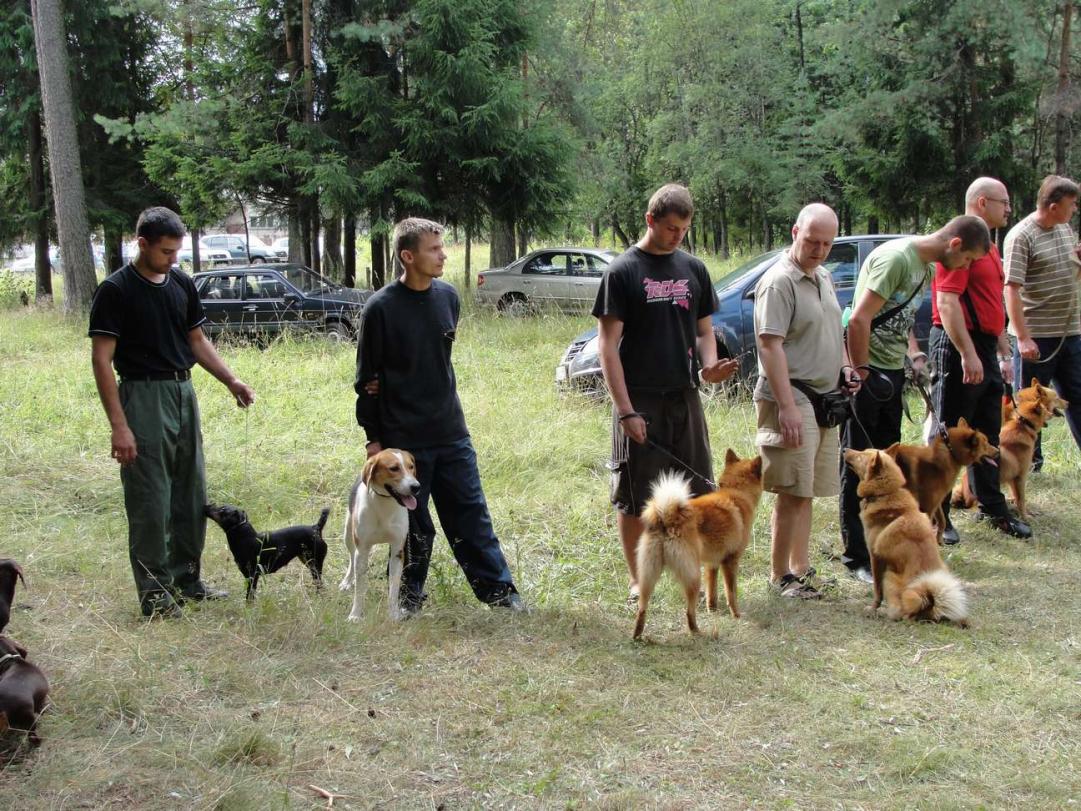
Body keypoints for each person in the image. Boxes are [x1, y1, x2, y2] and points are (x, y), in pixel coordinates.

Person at [89, 207, 255, 618]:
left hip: (184, 392)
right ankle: (156, 595)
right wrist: (119, 426)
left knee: (190, 492)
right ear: (142, 243)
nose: (173, 259)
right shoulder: (116, 290)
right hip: (143, 395)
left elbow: (196, 340)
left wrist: (231, 380)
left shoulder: (181, 283)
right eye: (165, 251)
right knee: (151, 500)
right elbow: (101, 360)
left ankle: (188, 580)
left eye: (176, 251)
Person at [354, 217, 524, 615]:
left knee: (471, 515)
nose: (443, 255)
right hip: (403, 438)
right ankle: (407, 599)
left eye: (442, 247)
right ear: (408, 256)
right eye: (434, 249)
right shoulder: (380, 308)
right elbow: (365, 380)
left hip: (450, 431)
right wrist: (373, 438)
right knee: (414, 526)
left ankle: (501, 594)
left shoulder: (448, 297)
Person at [593, 183, 739, 601]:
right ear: (650, 220)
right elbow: (607, 346)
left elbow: (705, 331)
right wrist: (626, 410)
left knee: (698, 489)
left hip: (685, 396)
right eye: (671, 228)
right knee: (635, 495)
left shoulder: (693, 269)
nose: (678, 236)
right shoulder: (623, 271)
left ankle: (696, 574)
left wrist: (709, 366)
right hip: (640, 399)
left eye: (684, 229)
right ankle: (638, 580)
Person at [840, 216, 991, 582]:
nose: (966, 267)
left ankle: (884, 547)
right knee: (861, 464)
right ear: (955, 244)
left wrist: (913, 354)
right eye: (968, 259)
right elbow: (859, 319)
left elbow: (901, 315)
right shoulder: (896, 259)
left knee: (889, 467)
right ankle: (856, 556)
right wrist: (860, 373)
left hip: (892, 373)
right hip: (868, 375)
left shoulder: (925, 267)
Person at [754, 203, 860, 599]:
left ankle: (801, 567)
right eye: (812, 241)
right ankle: (780, 575)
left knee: (808, 488)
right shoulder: (778, 282)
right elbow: (769, 346)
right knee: (791, 488)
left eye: (827, 244)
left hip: (825, 397)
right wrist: (785, 407)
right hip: (792, 394)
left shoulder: (823, 275)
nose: (819, 250)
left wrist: (845, 367)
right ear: (795, 232)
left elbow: (836, 330)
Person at [931, 178, 1031, 541]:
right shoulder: (961, 241)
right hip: (960, 345)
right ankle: (938, 515)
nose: (1009, 209)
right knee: (951, 433)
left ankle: (991, 505)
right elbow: (947, 302)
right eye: (1004, 202)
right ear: (983, 202)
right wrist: (966, 354)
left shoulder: (989, 246)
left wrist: (1003, 349)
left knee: (987, 431)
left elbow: (991, 302)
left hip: (985, 346)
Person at [1004, 174, 1081, 468]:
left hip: (1070, 333)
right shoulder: (1021, 236)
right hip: (1037, 337)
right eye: (1072, 204)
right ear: (1053, 206)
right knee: (1029, 405)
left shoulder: (1064, 229)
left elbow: (1070, 273)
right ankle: (1028, 463)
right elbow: (1011, 289)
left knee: (1077, 396)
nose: (1075, 209)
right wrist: (1023, 337)